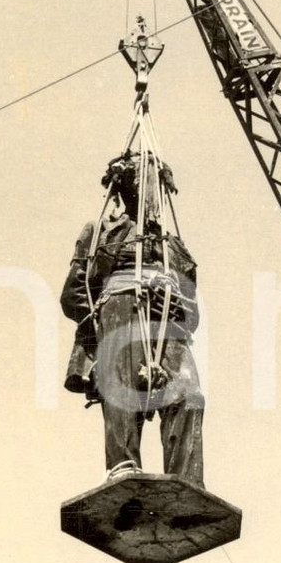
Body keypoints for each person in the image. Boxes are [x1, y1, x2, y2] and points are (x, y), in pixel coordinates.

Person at [61, 153, 205, 484]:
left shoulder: (175, 246)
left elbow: (192, 309)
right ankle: (123, 465)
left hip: (166, 321)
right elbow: (73, 293)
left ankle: (187, 478)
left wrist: (171, 308)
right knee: (120, 385)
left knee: (190, 395)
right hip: (120, 310)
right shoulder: (100, 232)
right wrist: (101, 332)